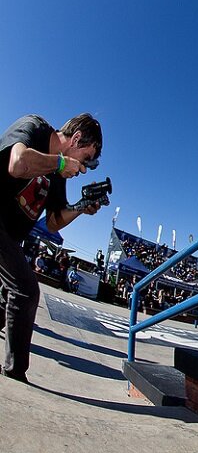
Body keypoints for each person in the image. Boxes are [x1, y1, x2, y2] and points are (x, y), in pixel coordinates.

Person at [0, 113, 103, 382]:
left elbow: (55, 222)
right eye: (86, 159)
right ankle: (15, 372)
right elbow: (17, 163)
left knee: (5, 298)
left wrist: (80, 208)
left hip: (11, 238)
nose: (82, 168)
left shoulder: (59, 176)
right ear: (76, 139)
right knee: (25, 291)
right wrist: (58, 163)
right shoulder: (34, 128)